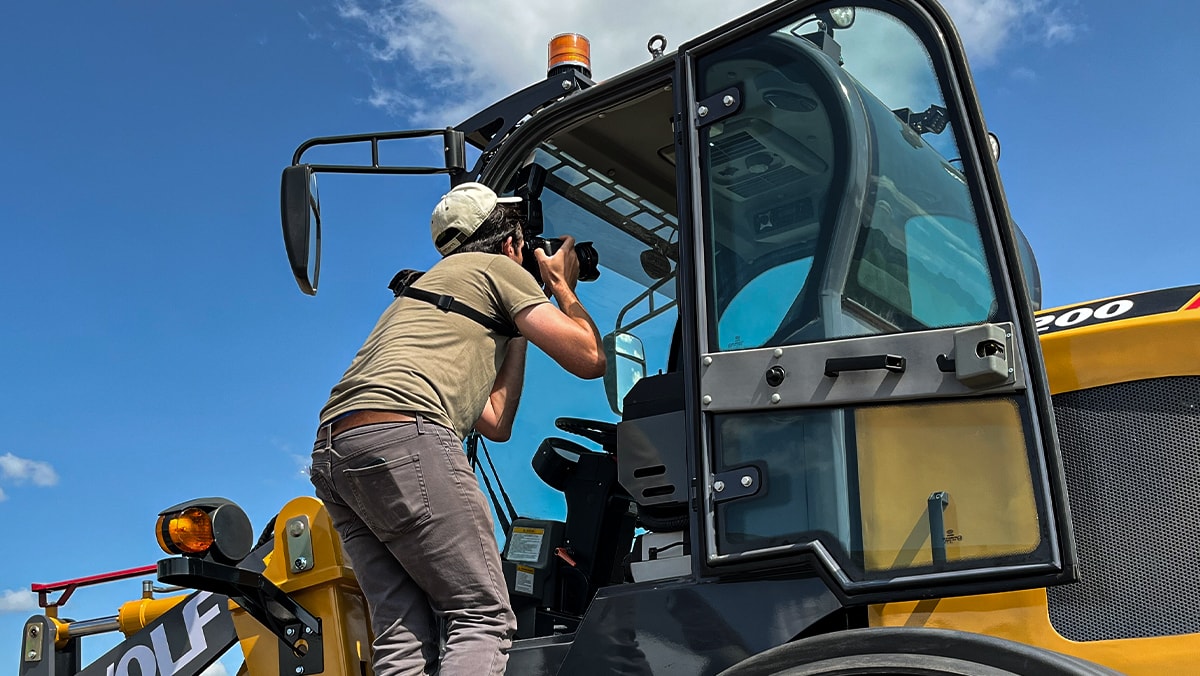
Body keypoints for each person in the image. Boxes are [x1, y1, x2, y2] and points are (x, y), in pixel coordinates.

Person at [307, 182, 606, 676]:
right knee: (481, 616)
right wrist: (558, 285)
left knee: (402, 637)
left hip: (338, 453)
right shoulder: (496, 269)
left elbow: (495, 422)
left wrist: (517, 325)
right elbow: (590, 358)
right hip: (407, 433)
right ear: (511, 244)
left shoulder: (429, 287)